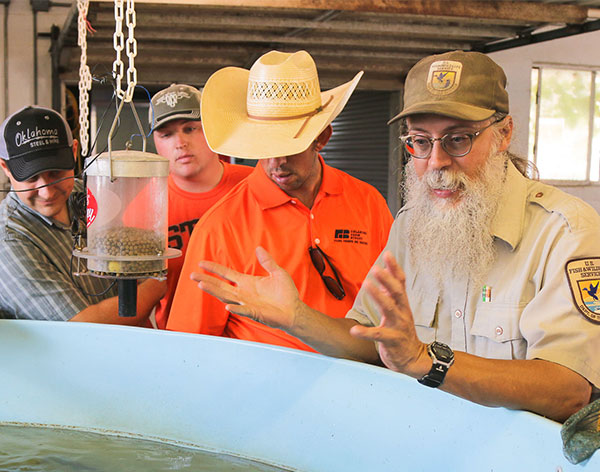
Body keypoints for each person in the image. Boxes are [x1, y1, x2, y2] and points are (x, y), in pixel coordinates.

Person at [189, 50, 600, 422]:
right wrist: (297, 318)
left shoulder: (566, 233)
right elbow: (373, 340)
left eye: (458, 139)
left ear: (504, 133)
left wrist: (427, 360)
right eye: (420, 142)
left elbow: (569, 391)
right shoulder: (412, 224)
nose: (436, 162)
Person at [167, 51, 394, 352]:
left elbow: (398, 308)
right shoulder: (220, 226)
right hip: (264, 391)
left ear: (322, 138)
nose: (278, 161)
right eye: (265, 145)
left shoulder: (368, 203)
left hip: (363, 378)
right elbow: (189, 347)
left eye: (291, 145)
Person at [0, 105, 165, 323]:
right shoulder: (9, 239)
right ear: (5, 168)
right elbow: (84, 326)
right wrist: (161, 282)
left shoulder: (88, 193)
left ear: (74, 151)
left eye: (56, 174)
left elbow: (131, 269)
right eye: (31, 179)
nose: (46, 191)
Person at [149, 84, 252, 329]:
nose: (180, 143)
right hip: (182, 346)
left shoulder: (255, 186)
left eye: (190, 129)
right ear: (156, 143)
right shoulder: (144, 207)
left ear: (211, 129)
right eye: (167, 134)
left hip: (257, 342)